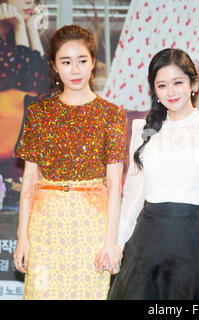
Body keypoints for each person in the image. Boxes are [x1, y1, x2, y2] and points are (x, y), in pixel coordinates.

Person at [13, 24, 127, 300]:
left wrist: (111, 242)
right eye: (66, 62)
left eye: (82, 61)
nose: (75, 70)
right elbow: (29, 178)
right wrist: (22, 237)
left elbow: (114, 185)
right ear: (54, 65)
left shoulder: (111, 114)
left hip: (91, 228)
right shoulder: (39, 111)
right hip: (45, 226)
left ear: (93, 63)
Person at [108, 48, 199, 300]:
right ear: (154, 90)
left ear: (193, 84)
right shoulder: (143, 129)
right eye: (162, 85)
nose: (171, 92)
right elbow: (132, 196)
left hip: (192, 243)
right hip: (145, 246)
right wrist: (115, 245)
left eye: (178, 82)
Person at [0, 0, 50, 207]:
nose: (30, 0)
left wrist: (30, 29)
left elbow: (46, 85)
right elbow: (23, 87)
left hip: (17, 146)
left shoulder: (13, 37)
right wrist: (22, 27)